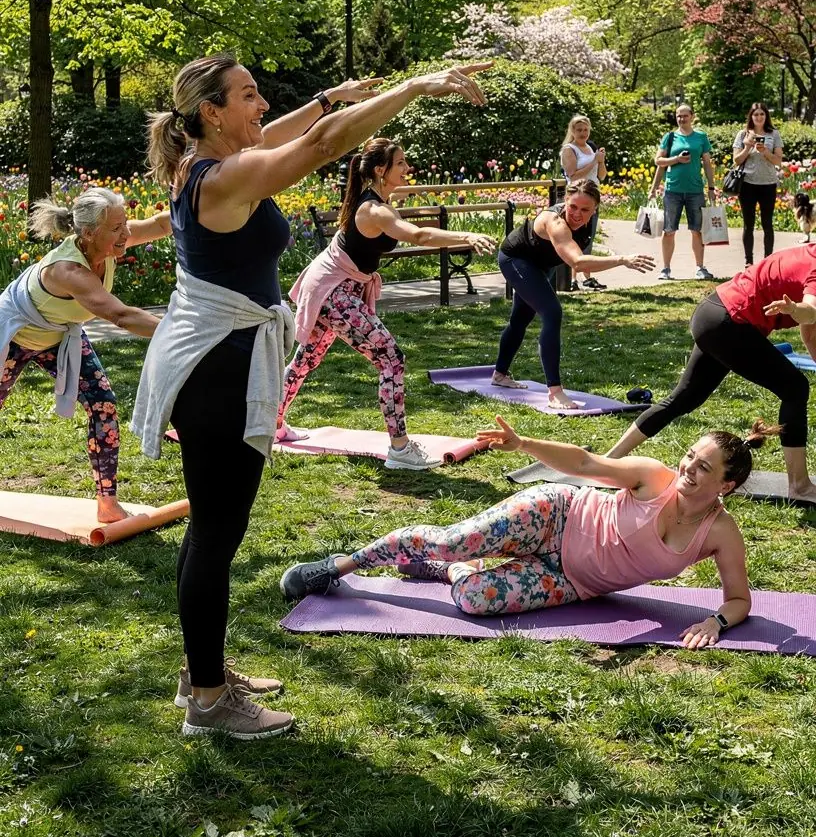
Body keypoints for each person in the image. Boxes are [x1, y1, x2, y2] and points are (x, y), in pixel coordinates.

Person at [133, 54, 491, 740]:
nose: (263, 105)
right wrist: (413, 88)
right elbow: (321, 146)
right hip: (219, 369)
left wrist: (328, 97)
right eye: (249, 95)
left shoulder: (203, 162)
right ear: (211, 112)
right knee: (215, 534)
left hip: (215, 359)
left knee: (211, 530)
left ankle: (201, 673)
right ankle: (208, 701)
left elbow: (290, 132)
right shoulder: (225, 176)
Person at [280, 415, 763, 651]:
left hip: (571, 581)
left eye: (703, 468)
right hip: (557, 514)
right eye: (689, 457)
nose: (688, 469)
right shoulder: (654, 477)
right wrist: (524, 443)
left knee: (474, 598)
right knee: (452, 540)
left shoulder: (720, 532)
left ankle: (448, 571)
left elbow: (739, 599)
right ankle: (339, 565)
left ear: (727, 485)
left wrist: (715, 623)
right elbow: (585, 464)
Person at [277, 138, 494, 470]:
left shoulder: (380, 201)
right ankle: (400, 449)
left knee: (307, 359)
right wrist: (466, 236)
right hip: (333, 289)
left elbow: (406, 222)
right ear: (381, 170)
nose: (408, 168)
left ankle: (272, 423)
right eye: (401, 163)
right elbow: (419, 236)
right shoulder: (373, 209)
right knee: (390, 358)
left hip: (336, 286)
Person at [0, 188, 169, 523]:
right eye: (117, 228)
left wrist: (201, 208)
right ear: (89, 233)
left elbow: (161, 224)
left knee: (103, 403)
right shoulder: (68, 270)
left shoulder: (109, 242)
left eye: (125, 224)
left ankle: (108, 504)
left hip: (57, 334)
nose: (126, 233)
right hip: (13, 335)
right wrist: (182, 333)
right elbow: (121, 316)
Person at [606, 244, 816, 502]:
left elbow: (810, 330)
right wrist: (796, 310)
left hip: (712, 312)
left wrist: (800, 314)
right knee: (795, 388)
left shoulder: (810, 252)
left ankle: (608, 462)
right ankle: (799, 485)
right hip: (730, 323)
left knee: (683, 398)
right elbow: (810, 311)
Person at [491, 180, 654, 407]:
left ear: (595, 209)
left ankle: (499, 375)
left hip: (540, 266)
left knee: (521, 319)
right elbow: (577, 262)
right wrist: (622, 259)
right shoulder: (556, 223)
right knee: (552, 312)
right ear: (565, 201)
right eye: (573, 207)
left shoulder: (587, 223)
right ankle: (555, 393)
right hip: (515, 260)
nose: (577, 214)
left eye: (585, 209)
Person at [652, 104, 717, 282]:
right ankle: (666, 269)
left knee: (697, 230)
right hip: (673, 190)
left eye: (685, 115)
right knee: (669, 230)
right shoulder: (670, 137)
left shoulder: (701, 137)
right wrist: (676, 159)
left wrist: (711, 187)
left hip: (695, 190)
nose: (681, 119)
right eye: (678, 116)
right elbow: (659, 161)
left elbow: (707, 163)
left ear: (692, 116)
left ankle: (700, 268)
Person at [560, 114, 608, 291]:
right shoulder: (569, 149)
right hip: (576, 198)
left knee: (588, 238)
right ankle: (572, 279)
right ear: (573, 131)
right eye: (579, 130)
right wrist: (594, 161)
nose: (583, 133)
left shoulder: (591, 147)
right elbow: (572, 175)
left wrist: (601, 161)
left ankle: (588, 276)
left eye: (586, 130)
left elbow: (601, 175)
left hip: (592, 197)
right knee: (575, 238)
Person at [732, 103, 784, 266]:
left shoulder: (774, 134)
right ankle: (749, 261)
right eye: (756, 114)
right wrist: (748, 146)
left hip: (768, 183)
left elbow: (778, 161)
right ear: (751, 116)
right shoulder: (743, 134)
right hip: (747, 184)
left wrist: (765, 151)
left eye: (762, 114)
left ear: (766, 116)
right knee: (749, 224)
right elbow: (736, 160)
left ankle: (768, 261)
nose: (759, 117)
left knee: (767, 223)